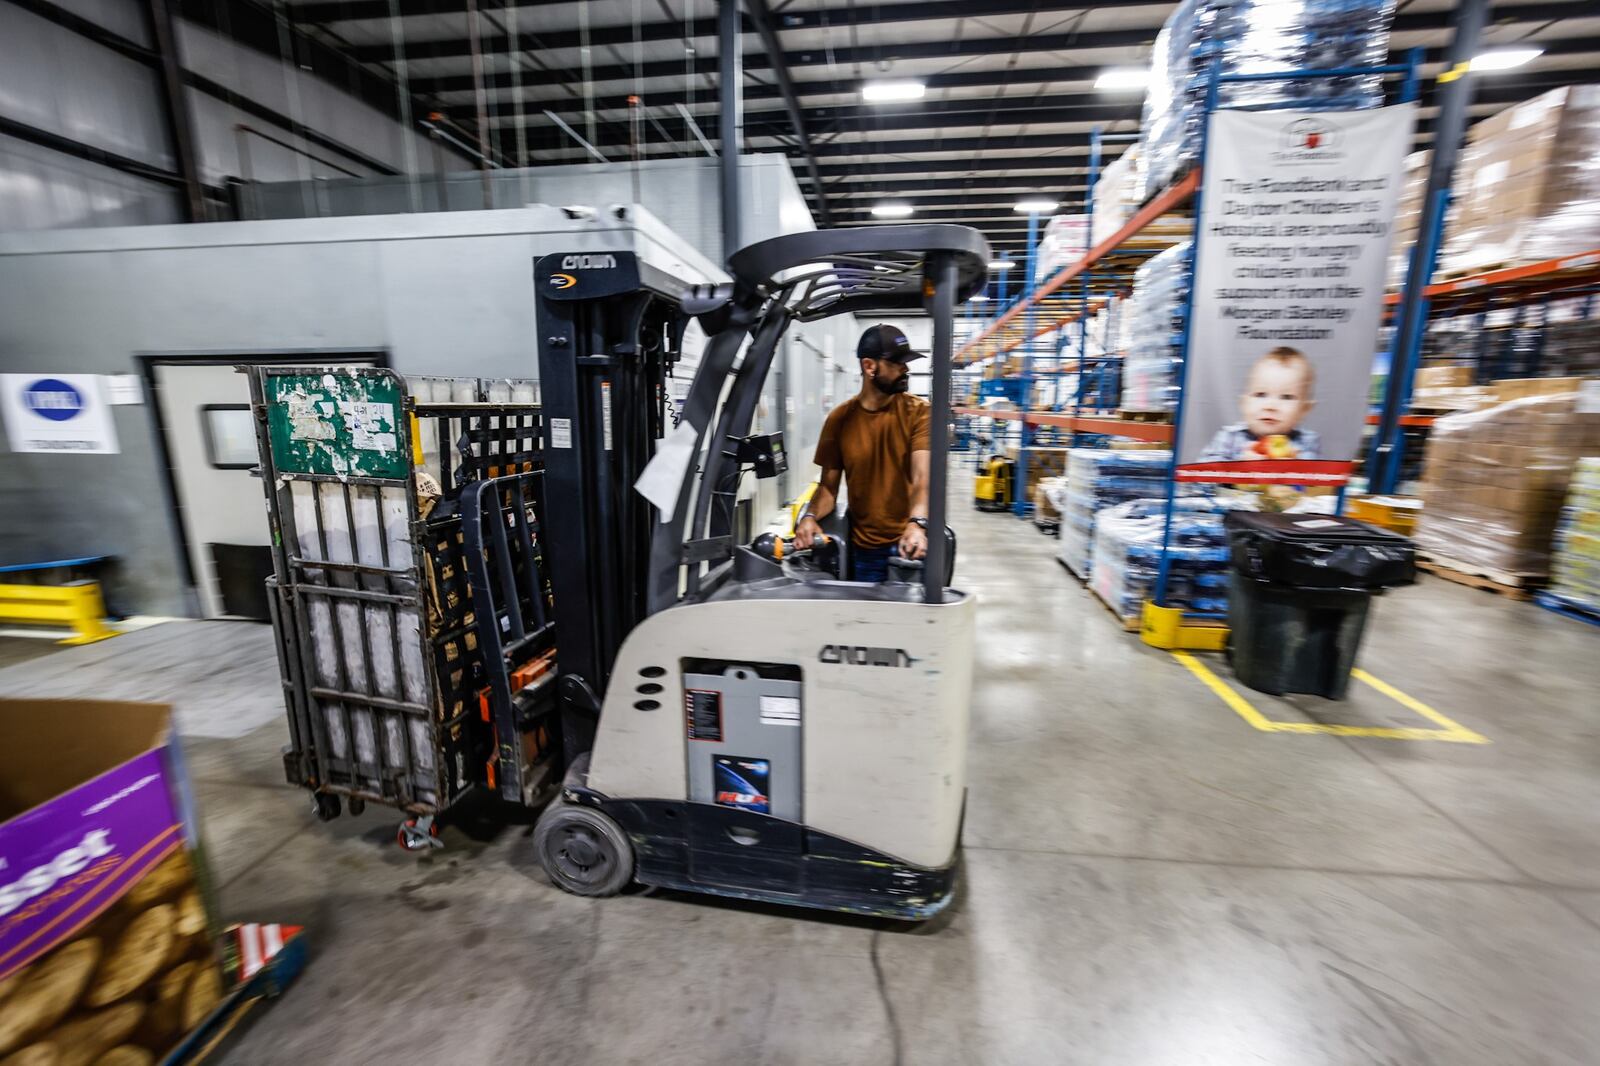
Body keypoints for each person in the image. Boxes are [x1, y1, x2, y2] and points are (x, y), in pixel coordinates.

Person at [793, 324, 930, 582]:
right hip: (864, 550)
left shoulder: (919, 412)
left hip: (910, 545)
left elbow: (922, 479)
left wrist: (917, 524)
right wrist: (809, 517)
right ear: (869, 366)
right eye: (898, 363)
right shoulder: (840, 420)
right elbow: (827, 489)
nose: (906, 369)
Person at [1198, 346, 1322, 463]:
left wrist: (1295, 468)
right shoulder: (1229, 438)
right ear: (1243, 403)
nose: (1270, 406)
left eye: (1286, 397)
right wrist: (1236, 467)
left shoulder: (1307, 442)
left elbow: (1320, 480)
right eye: (1260, 394)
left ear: (1304, 410)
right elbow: (1200, 476)